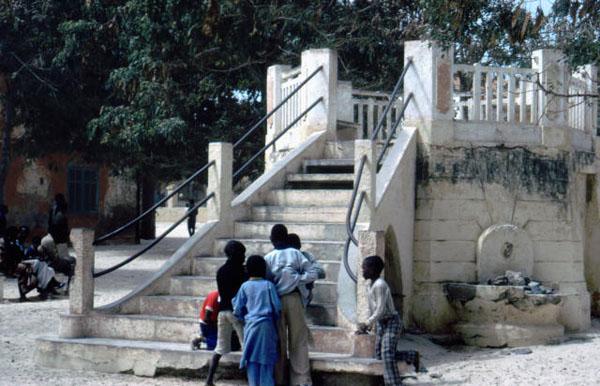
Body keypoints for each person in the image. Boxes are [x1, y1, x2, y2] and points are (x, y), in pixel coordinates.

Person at [264, 224, 318, 386]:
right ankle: (301, 380)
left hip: (276, 300)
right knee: (298, 340)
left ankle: (279, 380)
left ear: (271, 239)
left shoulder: (268, 257)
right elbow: (313, 273)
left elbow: (266, 281)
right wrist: (297, 279)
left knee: (278, 342)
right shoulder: (296, 254)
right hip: (293, 298)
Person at [356, 255, 421, 385]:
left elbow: (380, 310)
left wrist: (367, 323)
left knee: (386, 353)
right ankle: (411, 355)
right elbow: (373, 309)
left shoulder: (380, 285)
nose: (362, 271)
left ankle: (393, 383)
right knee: (380, 355)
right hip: (382, 323)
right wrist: (367, 327)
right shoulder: (369, 286)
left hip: (392, 321)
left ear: (373, 270)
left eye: (365, 268)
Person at [233, 255, 281, 386]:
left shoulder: (245, 286)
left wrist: (244, 316)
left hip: (251, 326)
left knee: (252, 359)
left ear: (247, 270)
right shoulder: (269, 285)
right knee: (266, 360)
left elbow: (237, 309)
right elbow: (277, 307)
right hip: (267, 326)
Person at [205, 240, 248, 386]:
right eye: (243, 254)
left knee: (220, 348)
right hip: (236, 312)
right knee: (247, 346)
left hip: (222, 312)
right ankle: (252, 379)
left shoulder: (221, 271)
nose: (244, 257)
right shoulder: (241, 271)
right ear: (237, 255)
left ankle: (209, 379)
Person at [287, 233, 325, 307]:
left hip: (304, 294)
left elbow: (321, 273)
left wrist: (304, 275)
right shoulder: (284, 258)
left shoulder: (307, 256)